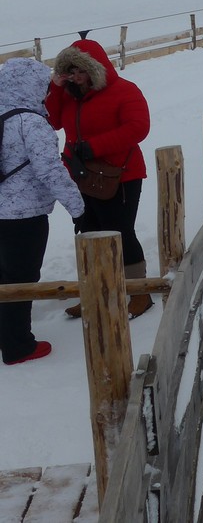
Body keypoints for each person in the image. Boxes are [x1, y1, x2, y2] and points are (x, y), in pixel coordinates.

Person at [46, 39, 153, 319]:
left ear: (95, 69)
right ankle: (97, 291)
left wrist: (95, 146)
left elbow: (138, 128)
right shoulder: (69, 94)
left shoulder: (124, 91)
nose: (76, 78)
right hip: (81, 175)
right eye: (70, 72)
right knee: (89, 231)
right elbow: (52, 120)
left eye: (80, 71)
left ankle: (139, 292)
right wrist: (56, 88)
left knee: (119, 231)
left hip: (121, 175)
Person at [0, 58, 85, 365]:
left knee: (3, 275)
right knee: (21, 278)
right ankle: (18, 345)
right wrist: (78, 208)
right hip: (25, 216)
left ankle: (4, 335)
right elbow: (51, 171)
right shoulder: (31, 123)